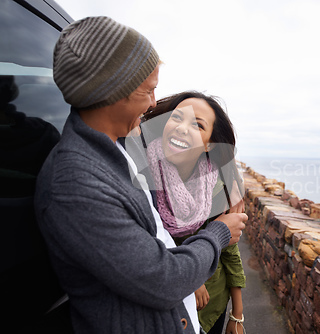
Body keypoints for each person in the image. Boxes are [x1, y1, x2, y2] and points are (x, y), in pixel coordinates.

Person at [34, 16, 247, 334]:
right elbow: (163, 281)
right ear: (114, 90)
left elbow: (205, 147)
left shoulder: (122, 146)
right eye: (149, 90)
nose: (152, 104)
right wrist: (218, 233)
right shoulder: (77, 184)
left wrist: (231, 179)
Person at [139, 91, 246, 334]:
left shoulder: (217, 184)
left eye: (198, 125)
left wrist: (237, 314)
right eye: (177, 117)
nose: (183, 128)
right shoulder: (141, 174)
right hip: (172, 309)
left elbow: (230, 251)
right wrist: (191, 278)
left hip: (214, 306)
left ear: (209, 143)